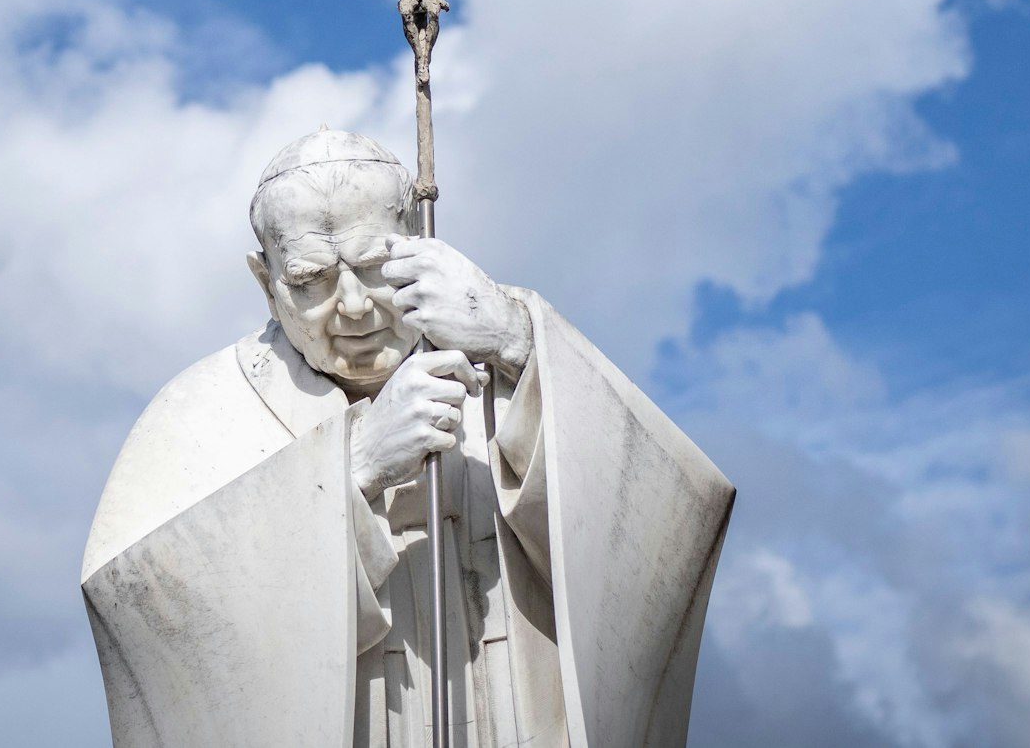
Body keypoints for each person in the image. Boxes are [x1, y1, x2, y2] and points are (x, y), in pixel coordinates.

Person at [82, 130, 734, 747]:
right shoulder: (201, 409)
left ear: (420, 240)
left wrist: (520, 345)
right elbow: (151, 622)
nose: (355, 305)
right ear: (265, 279)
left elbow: (673, 522)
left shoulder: (510, 343)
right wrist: (353, 469)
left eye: (373, 266)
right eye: (310, 279)